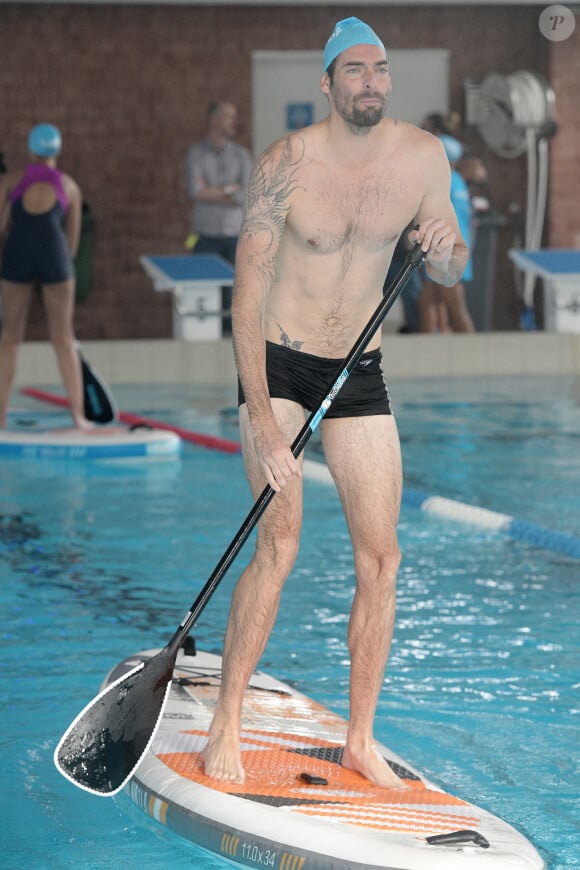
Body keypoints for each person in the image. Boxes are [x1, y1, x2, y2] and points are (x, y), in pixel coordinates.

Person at [202, 17, 468, 789]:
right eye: (354, 70)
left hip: (359, 372)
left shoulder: (422, 157)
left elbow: (449, 268)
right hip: (279, 368)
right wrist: (258, 414)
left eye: (379, 69)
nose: (370, 82)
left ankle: (359, 738)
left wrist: (444, 251)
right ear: (327, 83)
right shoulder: (286, 164)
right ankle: (226, 723)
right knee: (279, 545)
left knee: (382, 556)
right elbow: (245, 300)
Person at [0, 123, 92, 430]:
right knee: (63, 337)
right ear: (57, 151)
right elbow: (73, 244)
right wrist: (60, 265)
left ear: (30, 150)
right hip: (55, 255)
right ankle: (78, 417)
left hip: (18, 253)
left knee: (9, 338)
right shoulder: (70, 187)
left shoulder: (10, 182)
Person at [185, 101, 253, 334]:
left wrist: (213, 192)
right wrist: (228, 190)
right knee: (205, 289)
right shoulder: (195, 153)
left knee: (234, 292)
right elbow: (196, 192)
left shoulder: (242, 156)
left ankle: (231, 340)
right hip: (205, 236)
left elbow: (246, 194)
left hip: (234, 236)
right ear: (214, 120)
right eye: (228, 116)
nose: (234, 121)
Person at [419, 134, 475, 333]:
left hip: (446, 250)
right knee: (429, 298)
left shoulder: (443, 180)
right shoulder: (459, 181)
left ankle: (472, 351)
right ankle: (432, 342)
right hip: (452, 247)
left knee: (454, 305)